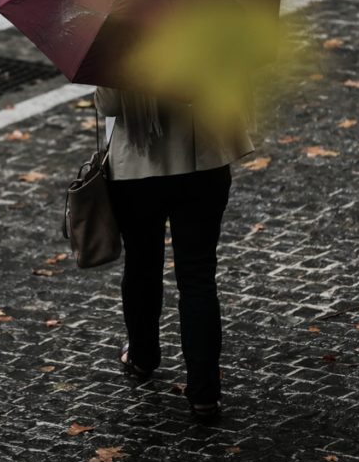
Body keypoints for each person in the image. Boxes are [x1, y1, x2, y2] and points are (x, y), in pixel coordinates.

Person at [94, 85, 254, 423]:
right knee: (197, 278)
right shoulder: (202, 30)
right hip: (203, 160)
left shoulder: (116, 34)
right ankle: (205, 394)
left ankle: (142, 357)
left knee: (141, 264)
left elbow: (109, 104)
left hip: (137, 169)